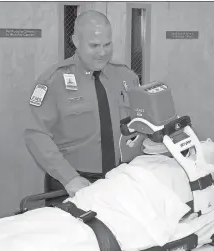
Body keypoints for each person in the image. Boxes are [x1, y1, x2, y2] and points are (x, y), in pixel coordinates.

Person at [24, 10, 142, 201]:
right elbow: (36, 135)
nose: (102, 52)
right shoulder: (53, 81)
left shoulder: (126, 77)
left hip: (118, 180)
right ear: (76, 41)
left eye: (107, 44)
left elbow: (140, 121)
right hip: (71, 184)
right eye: (94, 45)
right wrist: (69, 178)